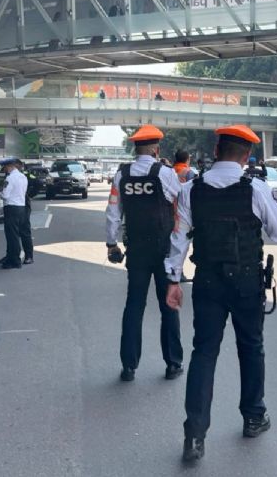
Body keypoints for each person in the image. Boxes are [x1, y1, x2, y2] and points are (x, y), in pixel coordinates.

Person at [165, 125, 277, 463]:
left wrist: (173, 281)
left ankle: (194, 436)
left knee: (204, 353)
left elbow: (179, 240)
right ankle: (254, 417)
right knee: (251, 348)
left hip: (207, 281)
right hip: (247, 282)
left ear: (217, 150)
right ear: (247, 156)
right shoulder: (257, 189)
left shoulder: (190, 190)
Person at [106, 125, 184, 382]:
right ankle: (173, 363)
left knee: (134, 305)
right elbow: (180, 198)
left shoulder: (122, 174)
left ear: (136, 148)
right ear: (155, 148)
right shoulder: (164, 172)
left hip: (136, 249)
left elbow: (113, 212)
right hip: (163, 249)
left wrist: (111, 244)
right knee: (168, 306)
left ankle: (129, 366)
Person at [0, 158, 31, 269]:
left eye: (5, 167)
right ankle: (17, 257)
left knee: (12, 236)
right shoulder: (23, 177)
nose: (5, 169)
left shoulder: (10, 178)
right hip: (21, 207)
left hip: (11, 208)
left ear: (10, 166)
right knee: (19, 233)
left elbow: (5, 195)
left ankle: (14, 261)